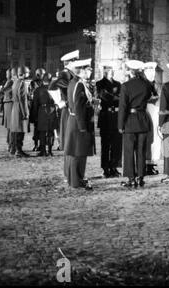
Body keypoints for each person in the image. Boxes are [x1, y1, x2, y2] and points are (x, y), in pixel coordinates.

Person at [118, 60, 156, 188]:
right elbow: (153, 96)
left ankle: (131, 178)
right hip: (143, 119)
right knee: (141, 151)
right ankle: (140, 177)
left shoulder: (125, 86)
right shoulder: (146, 85)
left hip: (130, 120)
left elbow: (123, 107)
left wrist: (120, 125)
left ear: (130, 71)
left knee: (129, 151)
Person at [64, 59, 95, 190]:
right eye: (88, 69)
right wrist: (83, 126)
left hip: (74, 120)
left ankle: (74, 179)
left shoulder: (74, 82)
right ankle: (77, 180)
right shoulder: (79, 84)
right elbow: (79, 107)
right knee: (78, 153)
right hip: (79, 122)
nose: (90, 72)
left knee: (75, 152)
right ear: (81, 70)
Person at [50, 50, 79, 181]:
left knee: (72, 143)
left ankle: (72, 172)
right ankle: (69, 173)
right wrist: (61, 102)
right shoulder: (65, 74)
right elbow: (52, 86)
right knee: (70, 143)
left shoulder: (70, 73)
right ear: (70, 62)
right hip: (68, 111)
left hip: (70, 110)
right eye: (75, 61)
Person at [96, 65, 122, 178]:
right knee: (105, 144)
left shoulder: (118, 84)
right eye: (105, 71)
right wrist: (116, 98)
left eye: (110, 71)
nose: (108, 73)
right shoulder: (99, 83)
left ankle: (114, 166)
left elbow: (121, 97)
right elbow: (104, 96)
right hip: (105, 116)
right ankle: (106, 168)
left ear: (113, 71)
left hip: (116, 116)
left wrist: (116, 98)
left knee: (116, 143)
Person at [31, 74, 59, 157]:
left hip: (42, 111)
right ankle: (50, 150)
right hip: (52, 110)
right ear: (50, 80)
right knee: (51, 131)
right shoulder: (55, 89)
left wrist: (34, 116)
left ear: (43, 80)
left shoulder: (38, 90)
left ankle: (43, 150)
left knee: (42, 132)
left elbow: (35, 104)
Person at [143, 62, 161, 176]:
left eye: (153, 71)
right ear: (145, 72)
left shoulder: (158, 86)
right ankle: (144, 163)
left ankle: (152, 164)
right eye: (149, 71)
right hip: (145, 113)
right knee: (146, 138)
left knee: (156, 139)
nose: (152, 73)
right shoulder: (142, 85)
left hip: (156, 113)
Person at [10, 66, 31, 158]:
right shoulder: (22, 83)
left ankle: (16, 149)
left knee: (16, 130)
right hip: (20, 108)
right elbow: (23, 99)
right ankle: (19, 150)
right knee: (20, 131)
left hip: (15, 108)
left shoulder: (15, 82)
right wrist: (25, 112)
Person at [30, 68, 46, 152]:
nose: (43, 75)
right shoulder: (33, 83)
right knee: (36, 127)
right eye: (42, 74)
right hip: (36, 107)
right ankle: (36, 144)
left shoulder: (43, 82)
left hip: (42, 107)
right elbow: (33, 93)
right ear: (38, 74)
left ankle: (41, 145)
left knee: (42, 127)